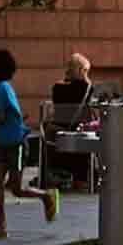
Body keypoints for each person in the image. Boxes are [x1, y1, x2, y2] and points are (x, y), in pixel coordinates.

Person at [0, 49, 57, 239]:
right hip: (2, 142)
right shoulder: (0, 88)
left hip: (15, 143)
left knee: (15, 188)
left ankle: (46, 196)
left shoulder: (1, 88)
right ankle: (1, 227)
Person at [45, 54, 95, 189]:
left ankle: (55, 175)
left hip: (58, 129)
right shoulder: (88, 88)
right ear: (82, 70)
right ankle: (81, 178)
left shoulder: (57, 88)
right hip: (77, 131)